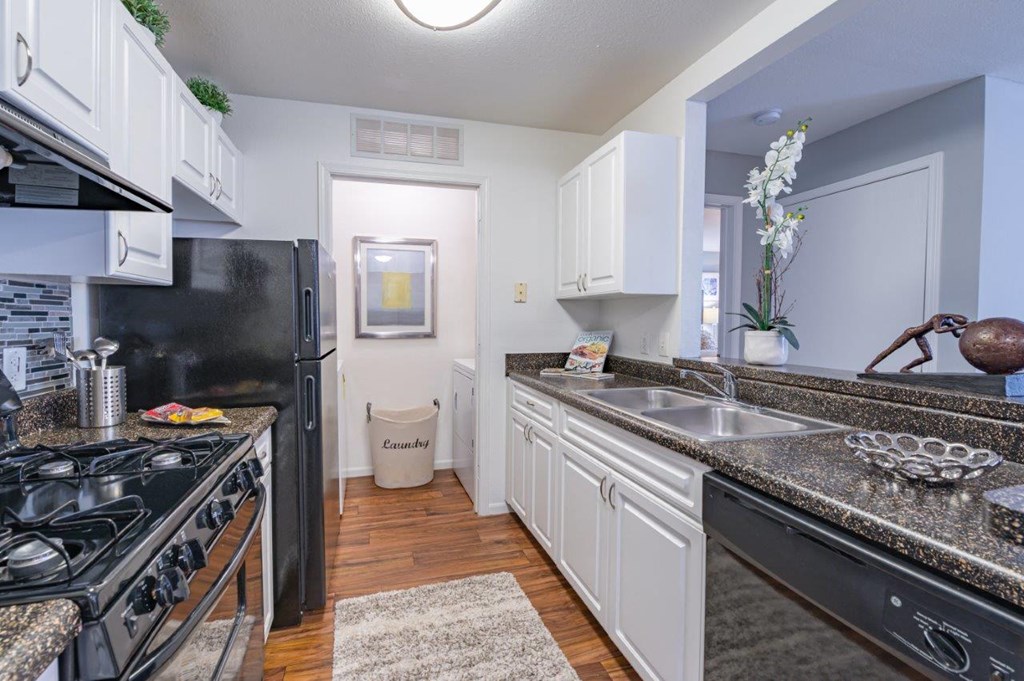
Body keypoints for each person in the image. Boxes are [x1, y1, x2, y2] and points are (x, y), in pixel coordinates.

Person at [864, 314, 970, 374]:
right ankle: (869, 367)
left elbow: (957, 335)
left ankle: (905, 368)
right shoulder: (938, 318)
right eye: (959, 322)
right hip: (911, 332)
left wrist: (967, 328)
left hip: (920, 335)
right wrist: (960, 327)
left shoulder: (949, 321)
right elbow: (937, 330)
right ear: (954, 316)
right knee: (890, 350)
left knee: (928, 357)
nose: (958, 323)